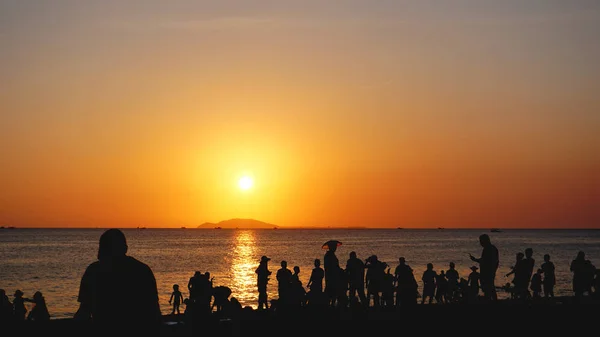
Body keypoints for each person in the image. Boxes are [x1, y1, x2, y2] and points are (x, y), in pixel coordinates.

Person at [74, 228, 161, 335]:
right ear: (125, 248)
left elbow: (84, 311)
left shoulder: (94, 271)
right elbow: (154, 311)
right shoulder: (142, 270)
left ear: (102, 250)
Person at [469, 234, 499, 301]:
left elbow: (484, 260)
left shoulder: (487, 249)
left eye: (481, 241)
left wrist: (475, 259)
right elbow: (496, 262)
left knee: (488, 288)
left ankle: (489, 301)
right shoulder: (493, 248)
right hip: (490, 272)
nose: (480, 243)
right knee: (491, 288)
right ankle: (494, 301)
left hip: (487, 272)